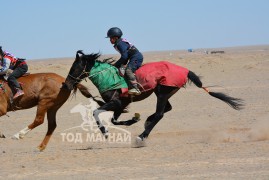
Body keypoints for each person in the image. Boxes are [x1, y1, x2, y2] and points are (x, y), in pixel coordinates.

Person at [106, 27, 143, 95]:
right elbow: (126, 56)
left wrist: (116, 64)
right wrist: (121, 64)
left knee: (128, 70)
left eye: (111, 38)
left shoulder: (120, 44)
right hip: (132, 58)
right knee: (121, 69)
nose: (110, 40)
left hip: (136, 58)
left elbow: (124, 56)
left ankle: (135, 88)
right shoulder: (120, 42)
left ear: (116, 38)